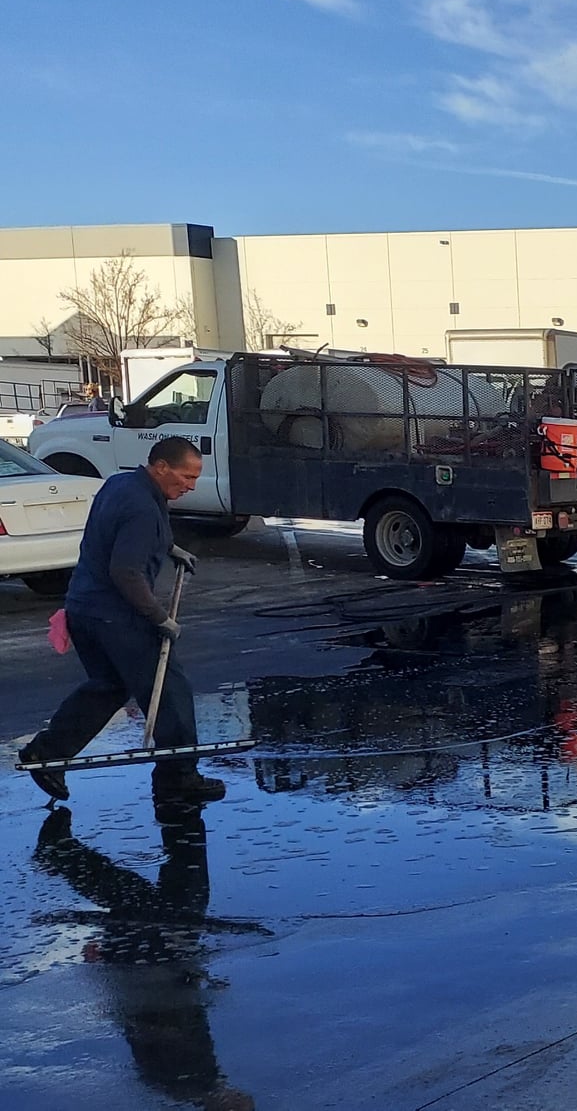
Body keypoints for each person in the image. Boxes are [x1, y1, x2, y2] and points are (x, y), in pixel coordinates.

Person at [18, 437, 222, 805]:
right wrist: (160, 619)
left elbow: (114, 533)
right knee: (171, 692)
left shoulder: (120, 483)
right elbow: (125, 571)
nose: (190, 486)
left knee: (109, 685)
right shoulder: (142, 504)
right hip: (117, 617)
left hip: (83, 608)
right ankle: (179, 778)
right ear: (161, 466)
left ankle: (46, 753)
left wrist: (169, 548)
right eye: (186, 476)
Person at [34, 805, 257, 1110]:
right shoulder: (197, 1082)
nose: (247, 1101)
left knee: (139, 901)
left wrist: (114, 973)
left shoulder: (190, 1081)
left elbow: (152, 1030)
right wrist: (199, 979)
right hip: (157, 967)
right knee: (184, 896)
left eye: (243, 1108)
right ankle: (181, 816)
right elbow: (179, 1022)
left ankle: (60, 854)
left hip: (147, 967)